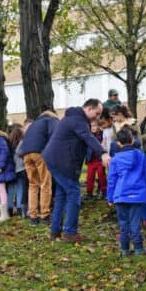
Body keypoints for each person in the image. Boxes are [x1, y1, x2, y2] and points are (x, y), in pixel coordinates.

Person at [42, 99, 109, 242]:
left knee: (61, 195)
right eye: (96, 113)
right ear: (89, 108)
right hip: (62, 162)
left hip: (55, 160)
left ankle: (55, 231)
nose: (97, 117)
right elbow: (88, 137)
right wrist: (102, 153)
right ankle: (70, 232)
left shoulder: (72, 117)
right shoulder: (78, 120)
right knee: (74, 193)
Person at [107, 126, 146, 256]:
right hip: (137, 195)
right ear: (132, 140)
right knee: (135, 223)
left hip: (120, 195)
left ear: (118, 143)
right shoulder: (141, 156)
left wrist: (110, 197)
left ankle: (124, 249)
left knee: (123, 223)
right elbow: (145, 175)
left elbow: (111, 180)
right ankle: (138, 248)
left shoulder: (115, 159)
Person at [19, 111, 59, 225]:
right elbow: (54, 136)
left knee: (32, 184)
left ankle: (32, 216)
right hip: (39, 152)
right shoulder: (51, 121)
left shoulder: (34, 124)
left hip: (26, 154)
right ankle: (44, 214)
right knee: (45, 183)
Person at [7, 124, 28, 218]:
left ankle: (10, 208)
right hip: (21, 168)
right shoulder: (21, 143)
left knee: (11, 189)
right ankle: (20, 208)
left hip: (12, 169)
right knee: (20, 188)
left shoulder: (10, 143)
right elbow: (21, 153)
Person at [85, 119, 107, 200]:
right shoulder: (88, 135)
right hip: (91, 160)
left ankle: (104, 191)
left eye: (95, 125)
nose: (93, 127)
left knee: (101, 175)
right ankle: (89, 192)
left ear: (98, 126)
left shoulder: (101, 134)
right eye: (91, 126)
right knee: (90, 177)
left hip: (99, 159)